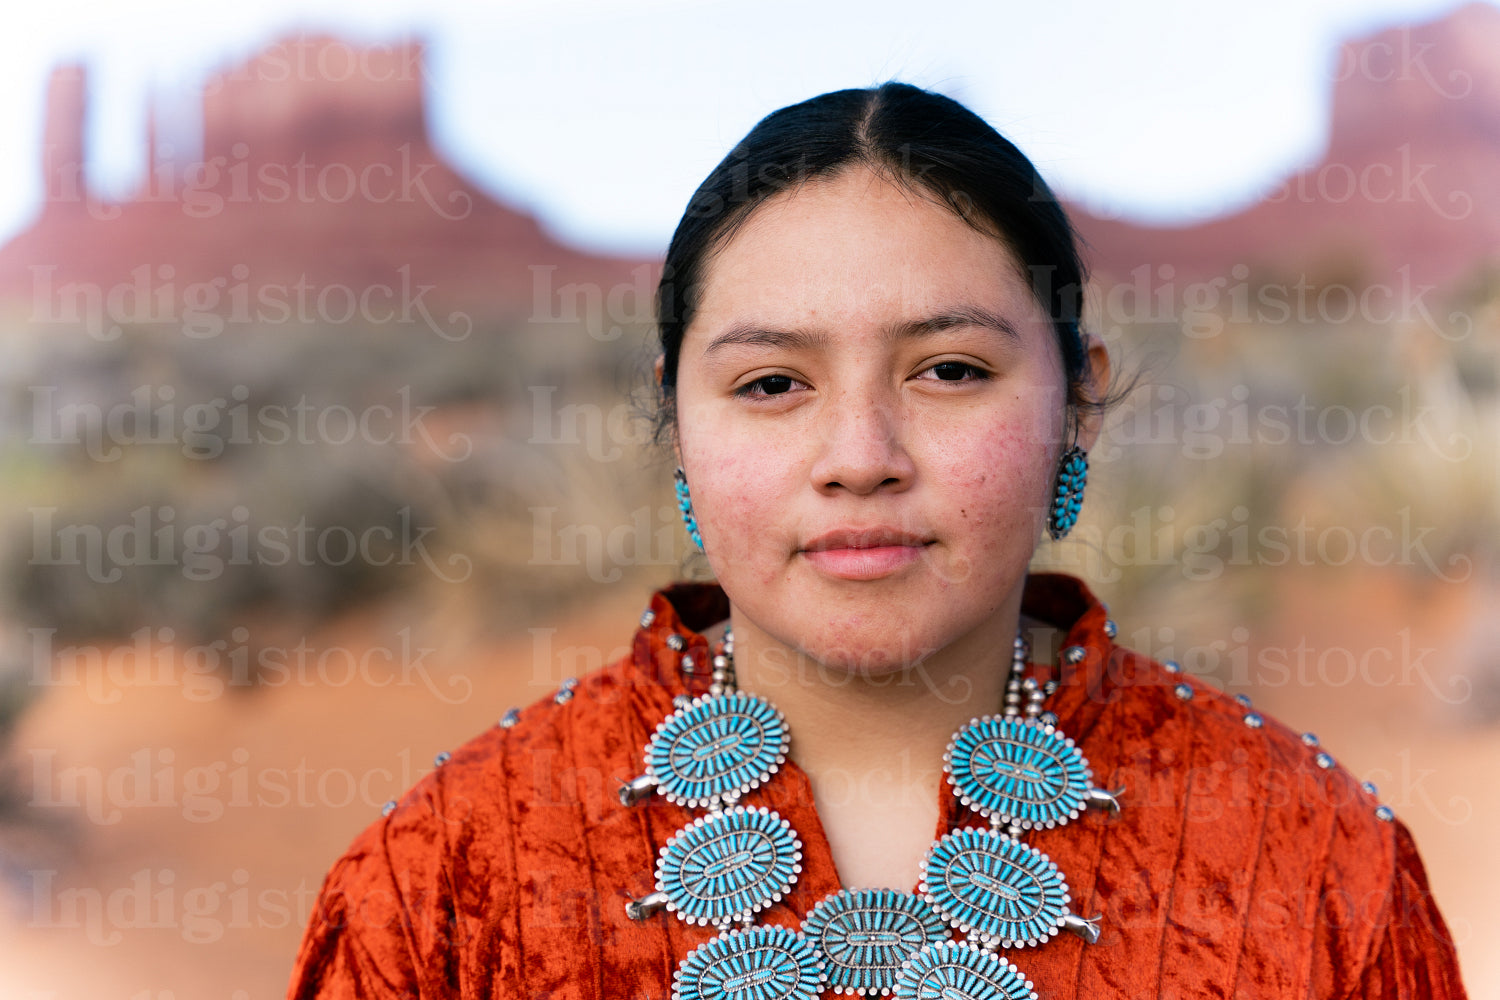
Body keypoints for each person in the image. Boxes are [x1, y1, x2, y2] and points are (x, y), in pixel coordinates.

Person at [287, 82, 1468, 999]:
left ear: (1079, 403)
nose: (860, 453)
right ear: (676, 422)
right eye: (770, 383)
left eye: (951, 370)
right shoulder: (449, 877)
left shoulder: (1310, 865)